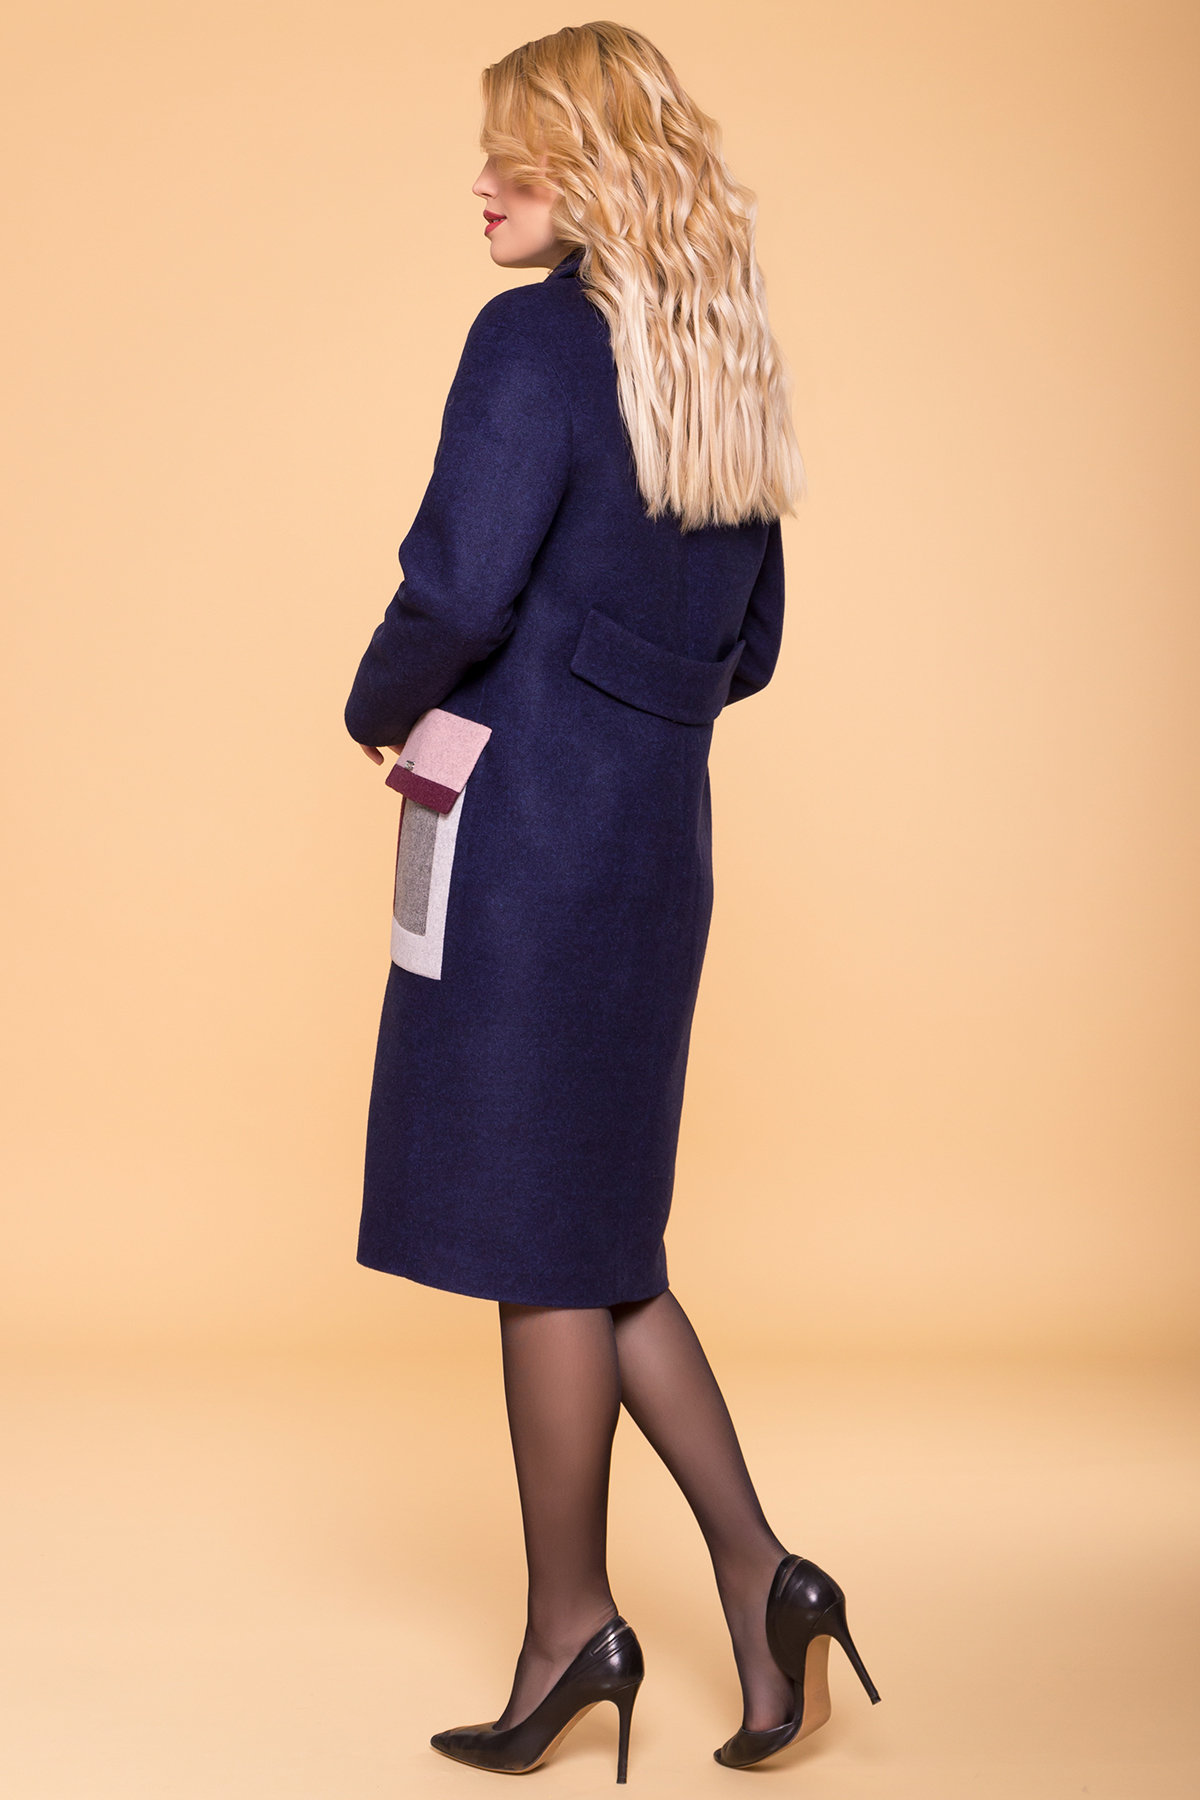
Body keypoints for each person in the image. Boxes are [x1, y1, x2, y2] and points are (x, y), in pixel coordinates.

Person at [343, 21, 880, 1782]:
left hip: (528, 851)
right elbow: (753, 646)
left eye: (512, 155)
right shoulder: (717, 355)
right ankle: (765, 1581)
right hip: (656, 847)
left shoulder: (535, 342)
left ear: (584, 169)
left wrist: (378, 709)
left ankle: (570, 1629)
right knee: (598, 1239)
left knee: (539, 1238)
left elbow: (456, 587)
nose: (481, 185)